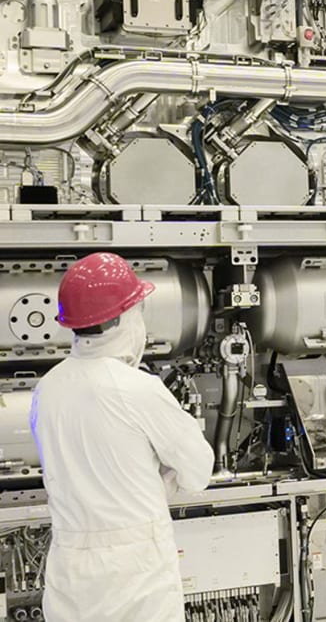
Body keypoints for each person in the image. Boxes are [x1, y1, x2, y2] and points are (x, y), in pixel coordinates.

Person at [29, 252, 213, 622]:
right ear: (123, 319)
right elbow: (198, 472)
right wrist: (164, 478)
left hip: (70, 574)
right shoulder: (137, 389)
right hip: (136, 576)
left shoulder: (46, 389)